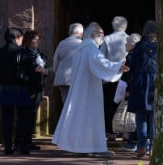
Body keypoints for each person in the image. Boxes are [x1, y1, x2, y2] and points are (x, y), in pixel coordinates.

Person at [52, 22, 129, 157]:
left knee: (82, 117)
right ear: (93, 35)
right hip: (89, 90)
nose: (103, 37)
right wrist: (118, 66)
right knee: (92, 117)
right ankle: (97, 147)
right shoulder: (91, 48)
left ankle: (80, 146)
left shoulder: (81, 48)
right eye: (101, 34)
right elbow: (100, 63)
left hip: (81, 88)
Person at [0, 27, 33, 155]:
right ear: (17, 38)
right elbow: (31, 72)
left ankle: (8, 146)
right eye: (20, 38)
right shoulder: (22, 52)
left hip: (4, 88)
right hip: (20, 88)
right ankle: (22, 145)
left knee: (7, 118)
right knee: (23, 118)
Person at [126, 20, 158, 158]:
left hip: (139, 85)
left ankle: (141, 147)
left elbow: (130, 66)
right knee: (153, 118)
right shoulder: (161, 47)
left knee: (141, 118)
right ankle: (153, 148)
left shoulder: (138, 47)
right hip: (155, 84)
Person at [100, 16, 129, 139]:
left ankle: (109, 131)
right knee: (125, 105)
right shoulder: (130, 38)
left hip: (110, 76)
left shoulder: (107, 39)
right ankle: (125, 131)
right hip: (126, 75)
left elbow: (101, 58)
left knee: (108, 104)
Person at [21, 29, 48, 151]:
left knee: (32, 115)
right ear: (28, 41)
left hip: (39, 87)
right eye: (34, 39)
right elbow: (26, 71)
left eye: (38, 39)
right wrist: (35, 71)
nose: (37, 42)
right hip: (29, 88)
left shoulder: (39, 53)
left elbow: (45, 65)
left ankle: (29, 140)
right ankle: (24, 142)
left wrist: (44, 71)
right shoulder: (24, 53)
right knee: (27, 115)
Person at [52, 23, 83, 103]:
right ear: (81, 33)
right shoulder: (83, 44)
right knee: (76, 104)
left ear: (69, 33)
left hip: (63, 78)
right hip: (78, 78)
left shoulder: (62, 43)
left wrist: (57, 73)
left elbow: (55, 62)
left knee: (65, 102)